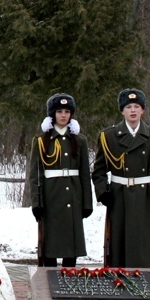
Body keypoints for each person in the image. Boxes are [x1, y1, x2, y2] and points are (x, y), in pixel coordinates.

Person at [92, 88, 150, 268]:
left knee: (143, 244)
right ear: (122, 111)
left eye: (136, 106)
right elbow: (99, 170)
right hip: (119, 197)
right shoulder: (108, 136)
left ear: (143, 110)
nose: (133, 110)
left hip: (145, 197)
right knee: (118, 245)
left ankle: (146, 282)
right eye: (128, 107)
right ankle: (117, 282)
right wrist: (103, 192)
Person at [26, 93, 92, 267]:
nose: (63, 115)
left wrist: (87, 203)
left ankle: (69, 283)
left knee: (71, 248)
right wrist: (36, 203)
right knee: (50, 248)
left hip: (73, 197)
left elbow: (85, 174)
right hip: (51, 198)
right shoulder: (41, 141)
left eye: (67, 111)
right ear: (52, 115)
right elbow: (35, 175)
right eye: (59, 111)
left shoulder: (80, 141)